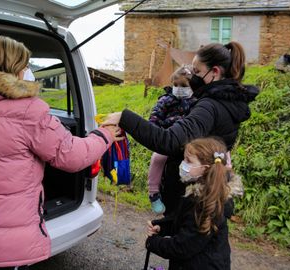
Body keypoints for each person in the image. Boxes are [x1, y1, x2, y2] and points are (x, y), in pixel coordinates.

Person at [0, 35, 121, 270]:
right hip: (14, 237)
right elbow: (72, 156)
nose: (28, 71)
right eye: (25, 65)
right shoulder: (28, 111)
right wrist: (105, 134)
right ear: (14, 68)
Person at [103, 41, 259, 215]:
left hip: (188, 199)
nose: (193, 77)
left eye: (197, 72)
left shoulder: (209, 107)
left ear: (215, 72)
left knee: (180, 239)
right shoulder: (230, 103)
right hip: (210, 191)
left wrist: (125, 118)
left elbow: (170, 141)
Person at [146, 137, 242, 270]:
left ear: (205, 168)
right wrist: (163, 227)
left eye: (188, 161)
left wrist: (154, 243)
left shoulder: (205, 204)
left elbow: (182, 247)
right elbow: (184, 222)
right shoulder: (198, 192)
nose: (183, 164)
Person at [148, 66, 195, 214]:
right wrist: (155, 131)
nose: (178, 89)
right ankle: (153, 193)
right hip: (167, 137)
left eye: (183, 86)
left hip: (188, 140)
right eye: (175, 85)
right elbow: (154, 116)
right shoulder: (166, 99)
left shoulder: (196, 102)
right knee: (157, 158)